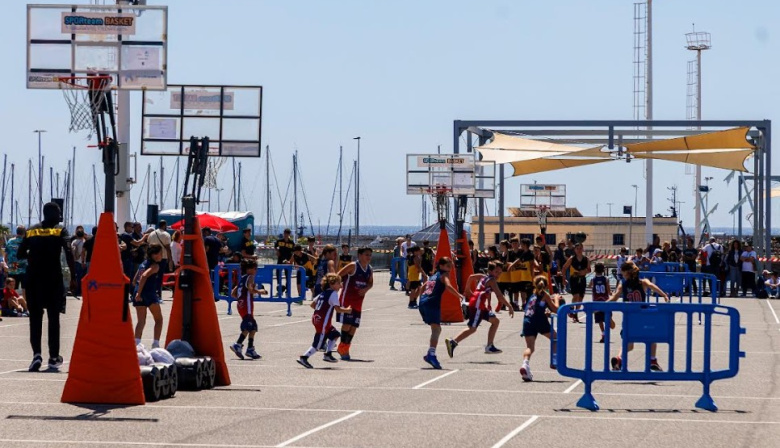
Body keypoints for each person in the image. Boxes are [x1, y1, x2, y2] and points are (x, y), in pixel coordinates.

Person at [17, 201, 76, 372]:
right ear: (54, 214)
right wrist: (73, 277)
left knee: (35, 318)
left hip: (33, 278)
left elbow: (20, 254)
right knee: (53, 318)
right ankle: (53, 357)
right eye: (58, 213)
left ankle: (36, 354)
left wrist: (33, 256)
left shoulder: (31, 230)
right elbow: (69, 252)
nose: (60, 216)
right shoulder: (60, 230)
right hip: (53, 279)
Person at [608, 261, 669, 372]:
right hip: (642, 318)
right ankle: (652, 360)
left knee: (628, 344)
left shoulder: (622, 285)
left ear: (626, 273)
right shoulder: (643, 282)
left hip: (629, 319)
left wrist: (602, 305)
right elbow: (652, 286)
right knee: (652, 338)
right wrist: (664, 295)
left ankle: (619, 359)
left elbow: (614, 298)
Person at [445, 261, 514, 358]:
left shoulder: (483, 276)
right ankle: (453, 342)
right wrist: (510, 306)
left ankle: (490, 346)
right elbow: (499, 295)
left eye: (500, 272)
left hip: (479, 303)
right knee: (472, 328)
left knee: (495, 321)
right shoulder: (492, 280)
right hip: (477, 304)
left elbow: (471, 276)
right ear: (490, 271)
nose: (498, 274)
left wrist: (467, 289)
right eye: (496, 272)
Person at [297, 273, 352, 368]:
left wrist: (321, 309)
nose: (341, 285)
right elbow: (338, 309)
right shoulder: (333, 294)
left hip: (317, 319)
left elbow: (312, 305)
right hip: (323, 322)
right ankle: (304, 357)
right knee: (318, 344)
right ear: (332, 284)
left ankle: (328, 354)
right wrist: (347, 310)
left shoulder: (323, 293)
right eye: (339, 283)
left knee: (335, 334)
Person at [417, 257, 464, 369]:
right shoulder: (444, 275)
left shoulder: (433, 275)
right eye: (448, 266)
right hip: (432, 303)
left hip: (424, 302)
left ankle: (431, 353)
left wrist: (421, 300)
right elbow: (448, 286)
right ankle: (431, 354)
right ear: (441, 266)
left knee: (436, 328)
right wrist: (459, 296)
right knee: (436, 329)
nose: (450, 268)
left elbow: (422, 287)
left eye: (451, 266)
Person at [519, 276, 562, 382]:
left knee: (530, 347)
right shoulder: (545, 294)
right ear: (547, 285)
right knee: (556, 338)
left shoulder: (532, 296)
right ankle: (554, 361)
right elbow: (556, 309)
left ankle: (525, 364)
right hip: (539, 321)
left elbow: (537, 308)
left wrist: (546, 312)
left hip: (527, 321)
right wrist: (556, 299)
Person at [336, 247, 374, 360]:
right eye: (366, 254)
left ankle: (345, 347)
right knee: (347, 324)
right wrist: (337, 285)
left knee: (354, 327)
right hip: (347, 300)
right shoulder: (353, 266)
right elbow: (338, 275)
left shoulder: (369, 269)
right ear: (360, 255)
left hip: (358, 301)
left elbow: (371, 283)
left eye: (370, 255)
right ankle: (342, 348)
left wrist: (366, 289)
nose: (369, 257)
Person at [229, 259, 267, 359]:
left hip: (240, 305)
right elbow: (250, 289)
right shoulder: (250, 277)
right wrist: (260, 291)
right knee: (248, 326)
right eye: (255, 268)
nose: (256, 270)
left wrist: (241, 297)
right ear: (249, 269)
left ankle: (250, 348)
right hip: (246, 305)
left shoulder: (242, 278)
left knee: (253, 326)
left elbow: (233, 293)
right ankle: (237, 344)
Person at [132, 245, 165, 349]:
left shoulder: (142, 264)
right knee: (159, 319)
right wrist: (140, 293)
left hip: (138, 291)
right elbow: (144, 276)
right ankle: (155, 344)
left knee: (141, 321)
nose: (161, 255)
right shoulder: (155, 266)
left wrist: (137, 291)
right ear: (154, 255)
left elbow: (134, 280)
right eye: (160, 253)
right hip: (148, 293)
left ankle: (136, 344)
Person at [561, 243, 590, 323]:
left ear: (582, 249)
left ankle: (575, 313)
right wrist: (564, 279)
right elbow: (564, 268)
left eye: (580, 248)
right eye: (577, 248)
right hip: (574, 279)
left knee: (580, 298)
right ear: (575, 250)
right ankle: (573, 311)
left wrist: (585, 271)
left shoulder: (586, 259)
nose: (579, 250)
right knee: (576, 295)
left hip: (582, 279)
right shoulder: (572, 259)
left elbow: (589, 269)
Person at [588, 262, 614, 343]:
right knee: (606, 318)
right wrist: (611, 293)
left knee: (599, 320)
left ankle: (603, 333)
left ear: (595, 270)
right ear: (603, 270)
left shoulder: (593, 279)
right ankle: (606, 331)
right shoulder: (606, 279)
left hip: (596, 302)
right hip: (605, 301)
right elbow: (609, 291)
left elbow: (589, 286)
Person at [5, 226, 28, 305]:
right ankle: (24, 304)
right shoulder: (26, 241)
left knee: (12, 288)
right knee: (25, 288)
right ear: (24, 233)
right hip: (24, 267)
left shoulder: (10, 241)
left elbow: (6, 255)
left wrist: (7, 266)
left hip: (13, 267)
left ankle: (13, 304)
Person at [275, 229, 295, 293]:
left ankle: (287, 290)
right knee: (278, 274)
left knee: (288, 276)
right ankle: (279, 289)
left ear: (289, 234)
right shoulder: (279, 241)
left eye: (287, 233)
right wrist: (277, 251)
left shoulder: (291, 243)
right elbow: (275, 246)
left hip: (288, 261)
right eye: (285, 233)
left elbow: (294, 252)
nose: (286, 235)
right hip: (280, 260)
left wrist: (291, 260)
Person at [71, 226, 87, 297]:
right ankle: (80, 291)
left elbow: (71, 251)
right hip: (82, 261)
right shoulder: (84, 242)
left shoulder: (74, 242)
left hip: (75, 261)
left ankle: (75, 290)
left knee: (76, 277)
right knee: (82, 277)